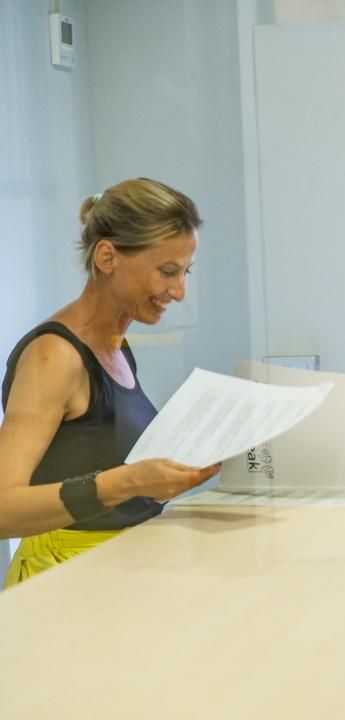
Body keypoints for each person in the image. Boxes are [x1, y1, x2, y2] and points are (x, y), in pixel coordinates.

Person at [0, 178, 221, 587]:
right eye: (167, 272)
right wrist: (129, 481)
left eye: (186, 272)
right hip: (62, 586)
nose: (179, 291)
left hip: (120, 575)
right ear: (107, 257)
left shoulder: (117, 348)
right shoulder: (54, 357)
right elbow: (3, 509)